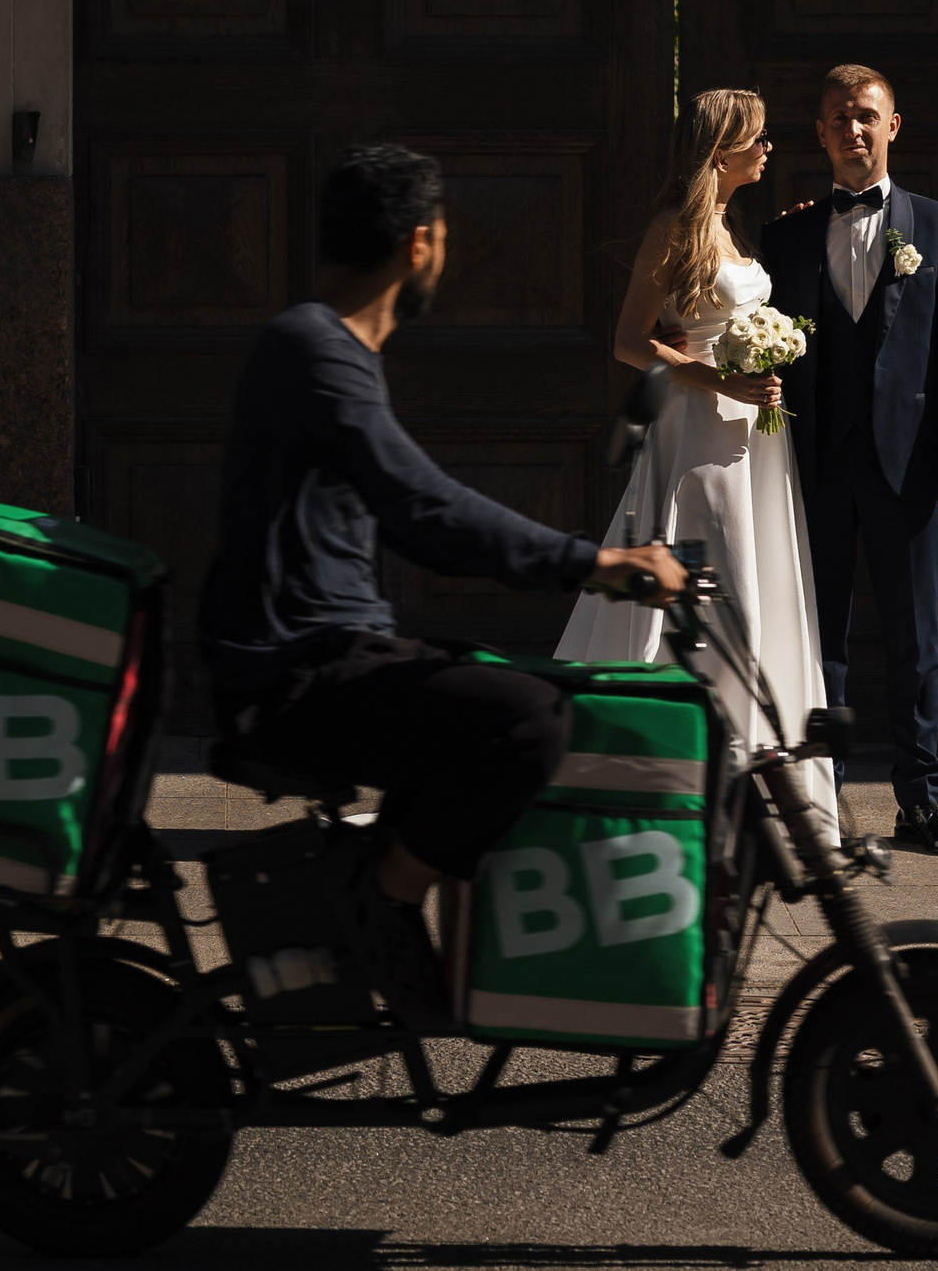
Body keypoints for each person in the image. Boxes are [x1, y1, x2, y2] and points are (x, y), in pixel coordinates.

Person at [198, 143, 684, 1022]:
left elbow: (414, 516)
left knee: (498, 685)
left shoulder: (322, 348)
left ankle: (374, 887)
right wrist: (597, 562)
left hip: (329, 654)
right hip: (295, 675)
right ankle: (384, 895)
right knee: (527, 721)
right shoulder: (315, 350)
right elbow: (424, 506)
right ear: (421, 243)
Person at [554, 89, 838, 845]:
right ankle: (679, 783)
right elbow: (628, 340)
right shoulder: (676, 226)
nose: (769, 149)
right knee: (719, 591)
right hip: (698, 434)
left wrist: (761, 370)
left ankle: (750, 789)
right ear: (722, 150)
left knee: (756, 585)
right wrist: (723, 379)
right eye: (757, 139)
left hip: (753, 437)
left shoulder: (731, 226)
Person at [757, 65, 938, 857]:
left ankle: (920, 803)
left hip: (913, 471)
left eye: (866, 117)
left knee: (916, 643)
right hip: (814, 466)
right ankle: (820, 805)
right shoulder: (784, 236)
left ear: (894, 126)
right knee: (816, 640)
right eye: (837, 119)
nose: (853, 131)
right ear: (818, 135)